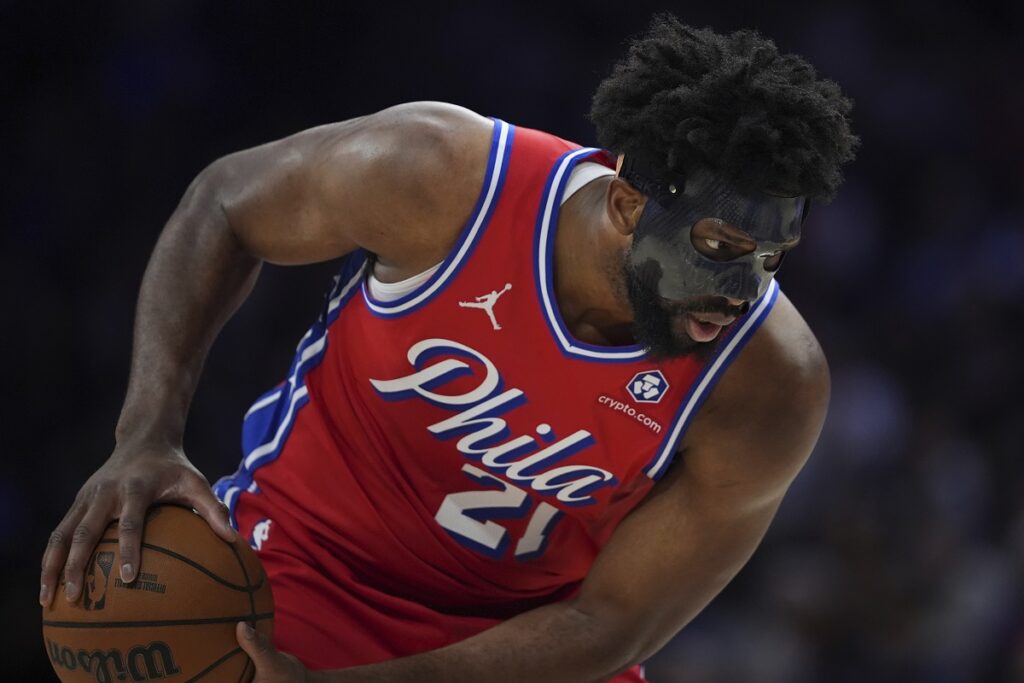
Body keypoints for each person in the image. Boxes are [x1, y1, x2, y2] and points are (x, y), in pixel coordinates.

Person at [40, 15, 857, 683]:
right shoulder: (442, 178)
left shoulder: (769, 384)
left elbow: (610, 621)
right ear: (627, 202)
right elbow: (224, 204)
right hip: (303, 569)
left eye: (771, 258)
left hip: (527, 643)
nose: (746, 287)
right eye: (719, 246)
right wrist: (147, 431)